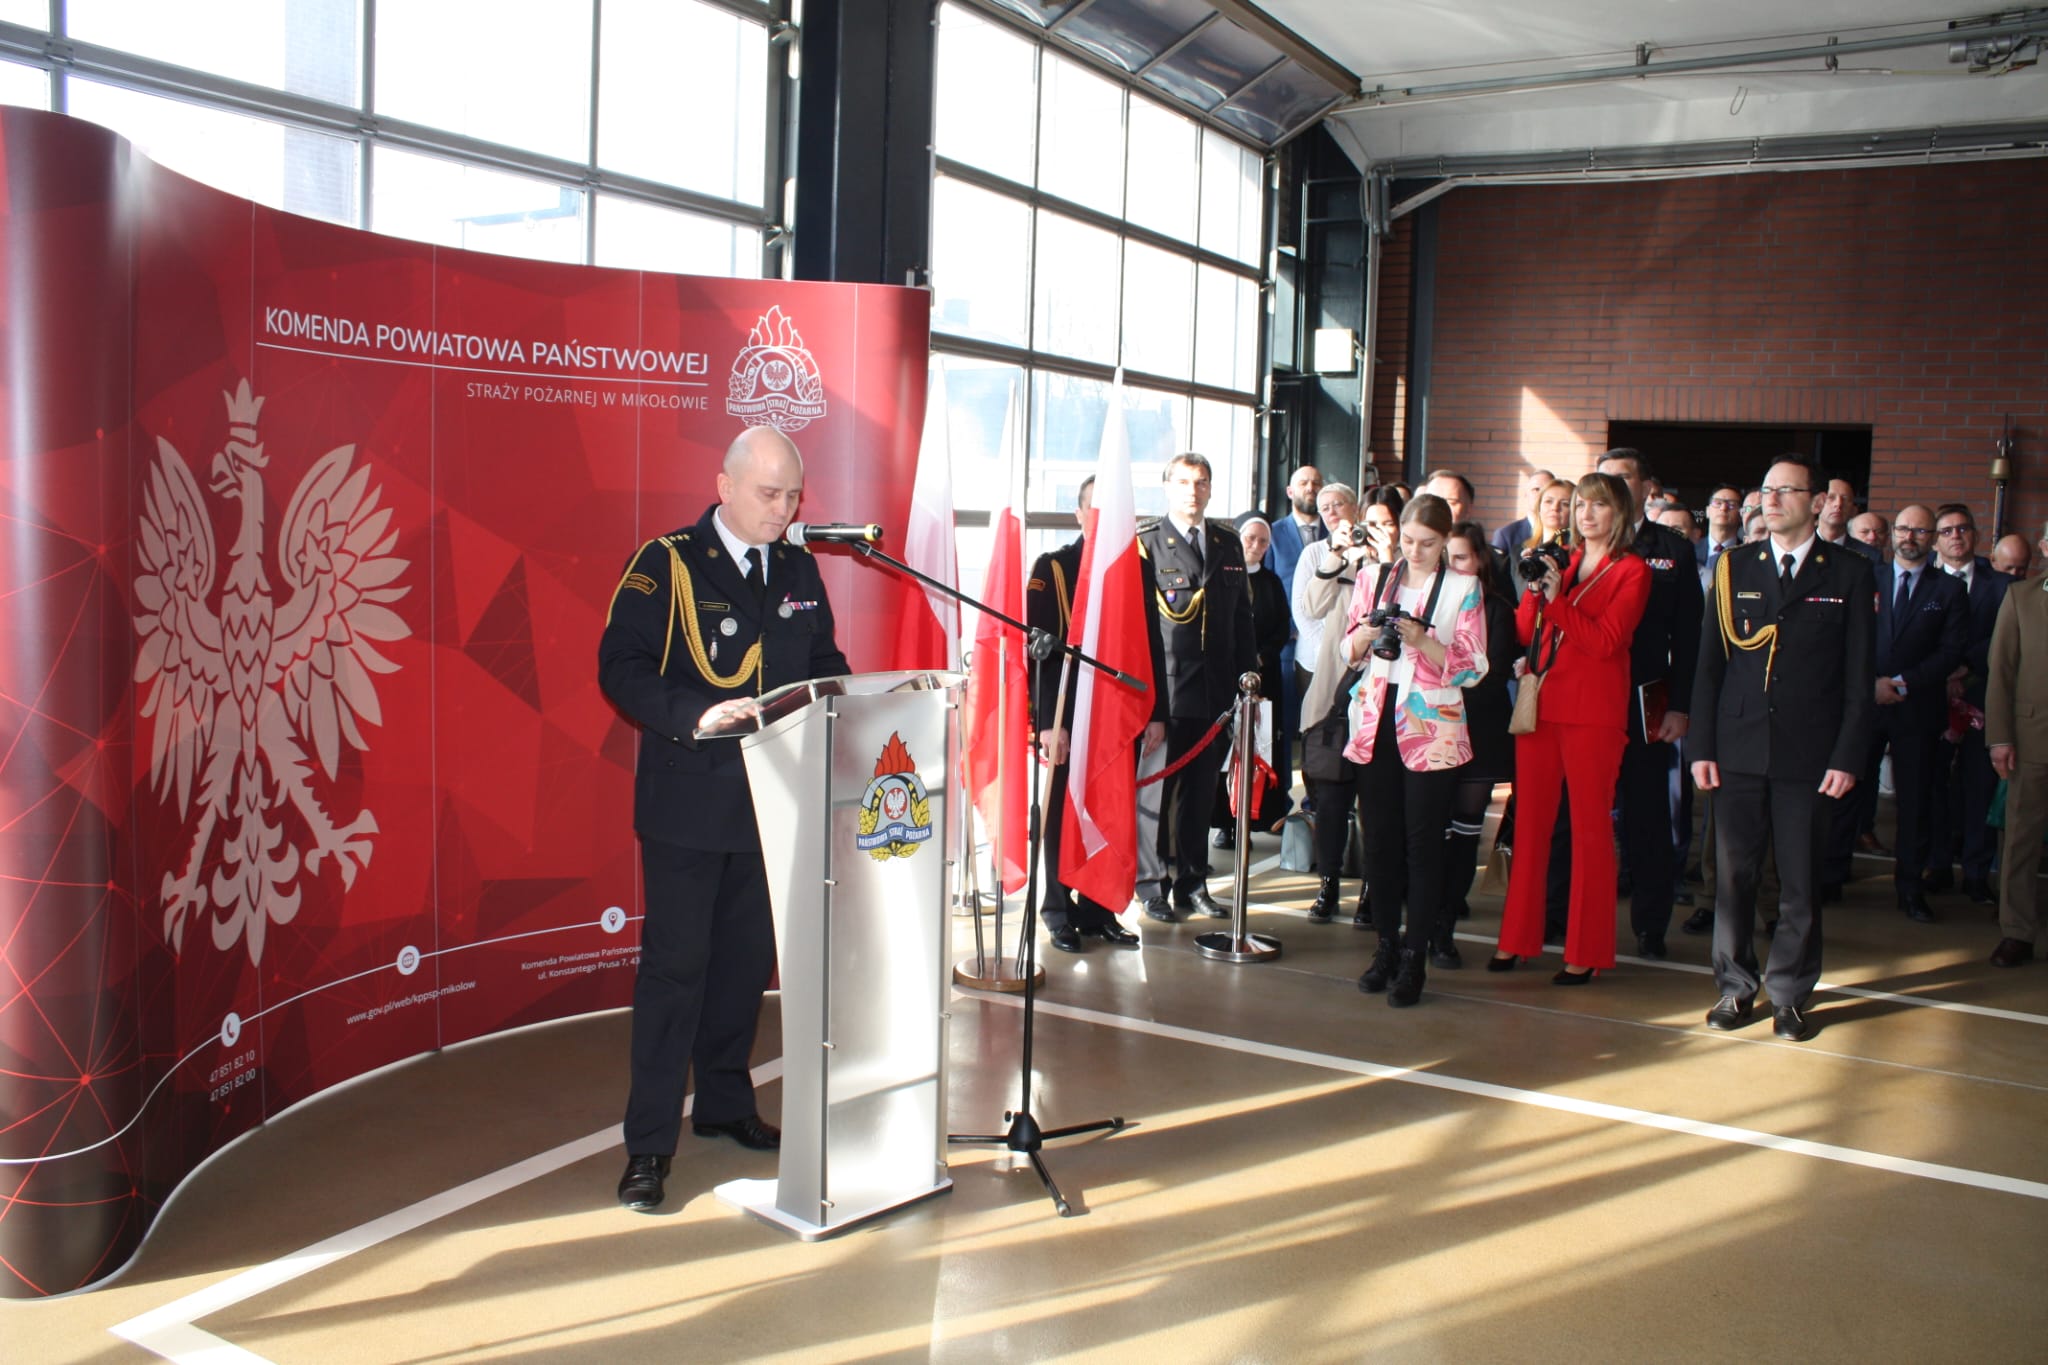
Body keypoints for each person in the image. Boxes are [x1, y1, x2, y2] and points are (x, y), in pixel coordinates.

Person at [599, 425, 851, 1213]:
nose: (784, 510)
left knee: (744, 968)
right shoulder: (667, 563)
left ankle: (723, 1102)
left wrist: (853, 703)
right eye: (770, 494)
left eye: (793, 496)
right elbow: (620, 666)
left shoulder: (799, 567)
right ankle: (648, 1144)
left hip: (774, 805)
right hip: (690, 805)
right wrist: (694, 714)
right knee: (676, 972)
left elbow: (823, 663)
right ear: (725, 486)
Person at [1690, 455, 1874, 1043]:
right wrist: (1702, 746)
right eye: (1766, 490)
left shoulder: (1848, 573)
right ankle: (1735, 986)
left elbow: (1858, 677)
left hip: (1810, 755)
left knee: (1799, 882)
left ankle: (1791, 995)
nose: (1770, 500)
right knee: (1733, 878)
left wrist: (1847, 756)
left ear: (1817, 502)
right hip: (1738, 746)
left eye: (1785, 491)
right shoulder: (1734, 567)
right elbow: (1710, 666)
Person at [1491, 472, 1650, 982]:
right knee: (1530, 826)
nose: (1586, 514)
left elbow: (1605, 642)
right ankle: (1517, 938)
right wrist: (1537, 591)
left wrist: (1557, 599)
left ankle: (1587, 950)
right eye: (1581, 505)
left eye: (1598, 505)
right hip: (1541, 706)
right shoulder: (1566, 560)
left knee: (1589, 831)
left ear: (1619, 513)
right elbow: (1524, 630)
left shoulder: (1632, 570)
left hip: (1593, 714)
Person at [1341, 493, 1489, 1006]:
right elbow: (1348, 651)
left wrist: (1424, 641)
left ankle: (1415, 957)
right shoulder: (1372, 578)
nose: (1416, 550)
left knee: (1423, 846)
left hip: (1431, 730)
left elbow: (1474, 667)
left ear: (1446, 540)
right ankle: (1385, 946)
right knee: (1379, 843)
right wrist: (1366, 634)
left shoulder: (1464, 587)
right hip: (1374, 722)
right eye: (1407, 539)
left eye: (1428, 543)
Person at [1029, 476, 1168, 953]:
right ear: (1079, 514)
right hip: (1068, 713)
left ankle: (1099, 910)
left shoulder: (1137, 568)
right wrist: (1049, 724)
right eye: (1096, 508)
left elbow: (1151, 643)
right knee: (1061, 815)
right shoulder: (1054, 567)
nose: (1106, 519)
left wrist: (1157, 711)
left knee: (1109, 809)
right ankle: (1057, 910)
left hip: (1118, 715)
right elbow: (1039, 652)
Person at [1821, 505, 1966, 921]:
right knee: (1846, 791)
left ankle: (1910, 889)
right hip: (1863, 704)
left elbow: (1951, 651)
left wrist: (1901, 682)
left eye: (1920, 531)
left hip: (1916, 707)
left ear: (1932, 538)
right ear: (1892, 535)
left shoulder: (1949, 590)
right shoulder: (1867, 577)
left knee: (1915, 802)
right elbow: (1842, 637)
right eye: (1903, 529)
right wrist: (1871, 684)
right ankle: (1831, 876)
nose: (1910, 537)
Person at [1137, 453, 1259, 922]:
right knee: (1158, 795)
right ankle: (1152, 885)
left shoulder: (1226, 542)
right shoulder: (1147, 543)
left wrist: (1248, 684)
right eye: (1185, 482)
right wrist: (1149, 704)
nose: (1194, 491)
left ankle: (1192, 883)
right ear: (1167, 487)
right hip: (1167, 695)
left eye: (1202, 482)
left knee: (1200, 796)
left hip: (1216, 695)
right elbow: (1142, 630)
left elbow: (1241, 619)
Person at [1294, 482, 1385, 924]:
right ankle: (1327, 884)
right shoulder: (1331, 555)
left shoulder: (1398, 566)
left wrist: (1382, 560)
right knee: (1330, 801)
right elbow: (1311, 606)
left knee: (1375, 804)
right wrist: (1338, 554)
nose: (1332, 512)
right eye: (1324, 507)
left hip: (1381, 699)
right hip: (1334, 695)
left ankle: (1372, 890)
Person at [1439, 520, 1520, 966]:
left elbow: (1491, 674)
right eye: (1447, 557)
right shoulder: (1429, 600)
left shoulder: (1499, 609)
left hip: (1479, 730)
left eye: (1462, 557)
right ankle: (1426, 921)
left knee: (1465, 831)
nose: (1453, 566)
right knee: (1431, 831)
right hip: (1430, 729)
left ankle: (1446, 925)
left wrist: (1446, 684)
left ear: (1481, 560)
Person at [1925, 503, 2012, 904]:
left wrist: (1965, 667)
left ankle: (1976, 873)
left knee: (1979, 786)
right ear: (1935, 540)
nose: (1955, 536)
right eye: (1946, 531)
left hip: (1983, 697)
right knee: (1934, 786)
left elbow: (2005, 637)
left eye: (1962, 529)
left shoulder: (2002, 586)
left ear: (1975, 536)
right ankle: (1938, 865)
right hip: (1933, 697)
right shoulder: (1922, 580)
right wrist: (1943, 672)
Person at [1211, 513, 1293, 847]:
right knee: (1224, 752)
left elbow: (1282, 628)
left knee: (1259, 750)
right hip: (1226, 676)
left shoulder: (1272, 582)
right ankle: (1224, 823)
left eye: (1263, 541)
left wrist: (1262, 656)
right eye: (1250, 538)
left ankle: (1253, 819)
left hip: (1262, 678)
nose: (1256, 546)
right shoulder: (1222, 576)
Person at [1986, 564, 2048, 967]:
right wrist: (2000, 737)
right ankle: (2017, 932)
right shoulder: (2021, 596)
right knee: (2021, 840)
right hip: (2031, 739)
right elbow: (2001, 670)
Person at [1818, 476, 1883, 564]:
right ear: (1817, 504)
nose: (1838, 504)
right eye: (1831, 497)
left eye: (1845, 499)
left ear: (1853, 510)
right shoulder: (1801, 545)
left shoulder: (1870, 555)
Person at [1493, 467, 1556, 554]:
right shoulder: (1506, 535)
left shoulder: (1565, 534)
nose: (1542, 494)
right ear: (1526, 494)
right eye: (1536, 489)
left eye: (1547, 490)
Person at [1696, 484, 1745, 571]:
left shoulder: (1747, 552)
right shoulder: (1691, 550)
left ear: (1741, 514)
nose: (1723, 508)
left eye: (1731, 504)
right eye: (1718, 503)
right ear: (1707, 511)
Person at [1522, 477, 1574, 558]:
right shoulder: (1519, 551)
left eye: (1565, 504)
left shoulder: (1579, 553)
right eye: (1548, 501)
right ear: (1539, 508)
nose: (1555, 508)